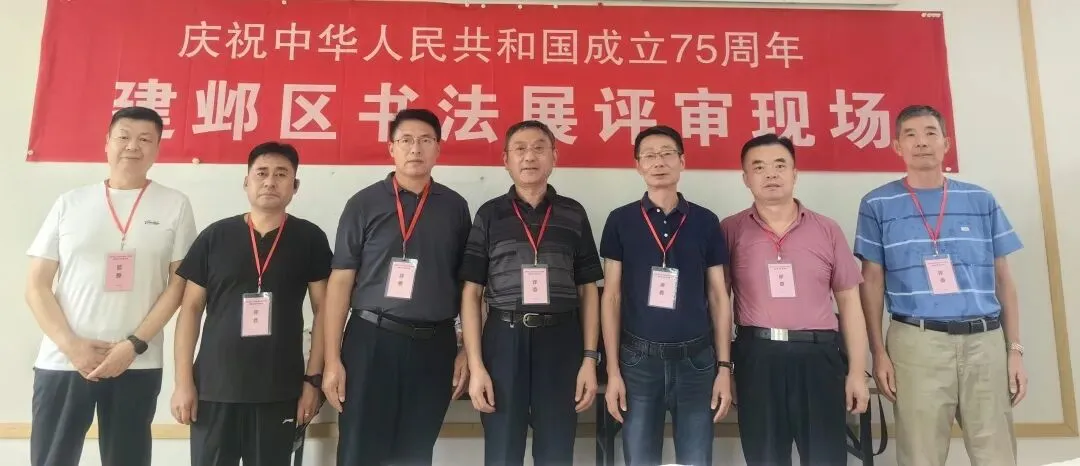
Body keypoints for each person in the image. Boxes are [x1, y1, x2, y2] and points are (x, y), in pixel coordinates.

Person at [25, 106, 197, 466]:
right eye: (123, 136)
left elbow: (178, 286)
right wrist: (71, 346)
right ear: (106, 142)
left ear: (157, 148)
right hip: (64, 361)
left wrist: (133, 345)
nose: (133, 146)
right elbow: (36, 286)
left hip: (136, 362)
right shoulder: (70, 203)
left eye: (145, 139)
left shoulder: (175, 205)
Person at [855, 105, 1027, 465]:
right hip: (916, 343)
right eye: (911, 135)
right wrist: (878, 352)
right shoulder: (877, 204)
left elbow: (1004, 280)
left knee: (996, 454)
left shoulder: (980, 200)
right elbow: (871, 282)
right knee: (921, 455)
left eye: (930, 133)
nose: (921, 142)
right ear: (897, 146)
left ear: (946, 143)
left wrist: (1014, 350)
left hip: (985, 342)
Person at [321, 109, 472, 466]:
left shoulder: (455, 207)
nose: (415, 148)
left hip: (434, 345)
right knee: (358, 450)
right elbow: (340, 282)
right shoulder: (363, 203)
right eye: (406, 140)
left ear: (438, 148)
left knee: (415, 452)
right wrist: (332, 359)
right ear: (391, 148)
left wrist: (467, 349)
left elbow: (469, 285)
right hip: (371, 341)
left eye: (425, 140)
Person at [170, 142, 331, 465]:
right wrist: (183, 382)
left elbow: (324, 311)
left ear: (295, 186)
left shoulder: (310, 238)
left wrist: (312, 381)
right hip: (214, 388)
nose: (270, 181)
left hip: (279, 389)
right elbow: (190, 310)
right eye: (261, 173)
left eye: (281, 174)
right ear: (246, 182)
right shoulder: (215, 236)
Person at [720, 133, 870, 465]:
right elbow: (718, 305)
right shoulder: (730, 230)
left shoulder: (827, 229)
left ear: (795, 172)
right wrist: (723, 368)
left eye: (779, 165)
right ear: (746, 178)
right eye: (759, 167)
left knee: (825, 458)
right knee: (765, 458)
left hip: (819, 358)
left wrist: (858, 371)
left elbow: (850, 303)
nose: (770, 174)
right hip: (757, 358)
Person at [461, 120, 604, 466]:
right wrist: (476, 365)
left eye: (539, 148)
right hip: (503, 340)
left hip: (561, 342)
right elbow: (471, 293)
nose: (529, 157)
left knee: (556, 450)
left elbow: (588, 291)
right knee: (501, 450)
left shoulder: (573, 213)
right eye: (520, 149)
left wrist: (589, 359)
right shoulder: (489, 214)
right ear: (505, 159)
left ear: (554, 157)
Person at [597, 125, 733, 466]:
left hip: (697, 362)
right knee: (640, 459)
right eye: (649, 155)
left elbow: (719, 297)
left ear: (682, 161)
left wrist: (724, 368)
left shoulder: (705, 221)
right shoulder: (620, 220)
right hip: (638, 362)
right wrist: (613, 371)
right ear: (638, 165)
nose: (658, 162)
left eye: (667, 153)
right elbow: (611, 298)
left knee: (696, 459)